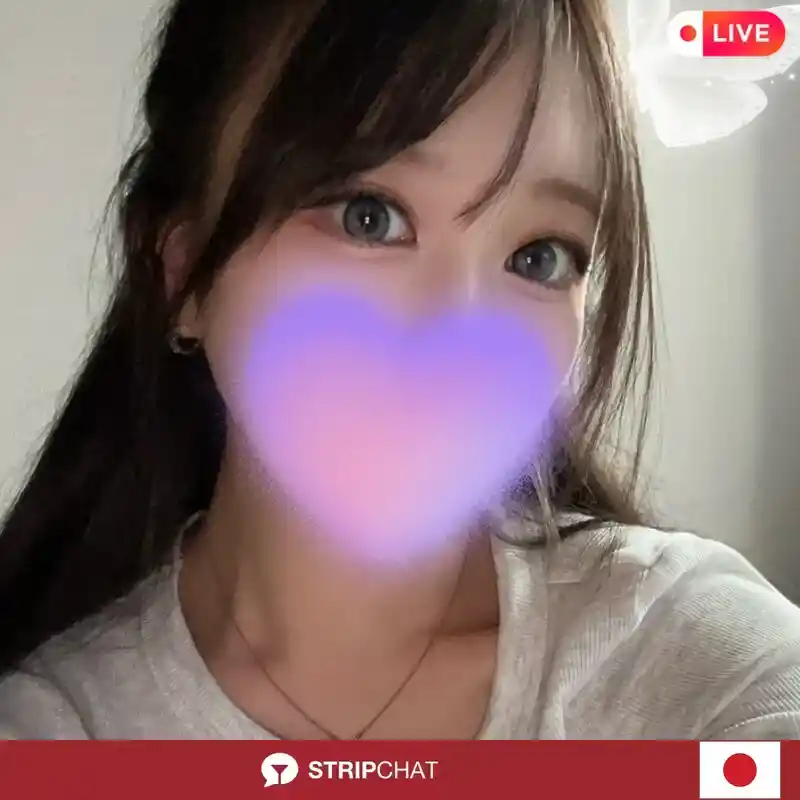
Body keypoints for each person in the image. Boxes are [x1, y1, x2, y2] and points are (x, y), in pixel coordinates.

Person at [0, 0, 798, 742]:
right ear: (181, 275)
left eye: (539, 256)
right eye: (369, 217)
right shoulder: (59, 729)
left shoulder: (689, 658)